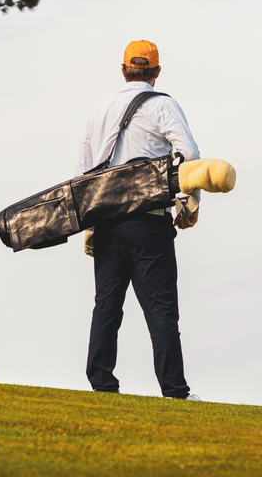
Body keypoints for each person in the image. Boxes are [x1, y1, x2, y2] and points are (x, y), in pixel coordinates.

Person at [75, 40, 201, 400]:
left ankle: (102, 385)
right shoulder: (162, 104)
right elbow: (189, 156)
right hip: (148, 221)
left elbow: (83, 176)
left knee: (107, 305)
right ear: (157, 72)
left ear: (123, 69)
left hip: (106, 223)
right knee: (161, 307)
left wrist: (90, 227)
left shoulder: (97, 112)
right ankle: (175, 391)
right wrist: (188, 205)